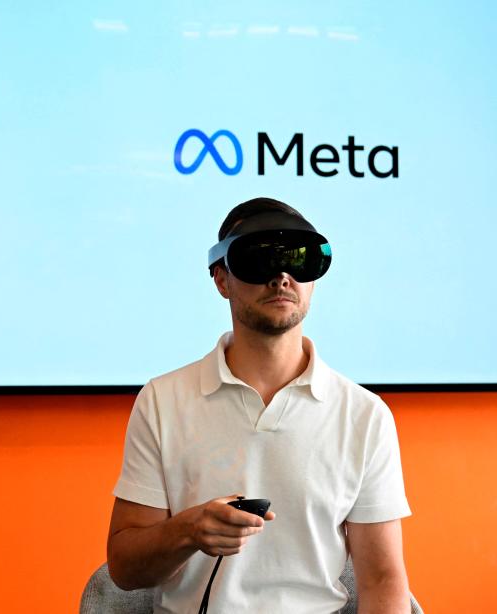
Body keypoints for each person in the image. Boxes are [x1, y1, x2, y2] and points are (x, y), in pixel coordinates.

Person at [106, 197, 412, 613]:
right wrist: (189, 531)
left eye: (298, 261)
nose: (281, 277)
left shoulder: (364, 415)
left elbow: (382, 579)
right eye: (259, 259)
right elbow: (124, 569)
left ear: (314, 280)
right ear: (221, 279)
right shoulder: (163, 401)